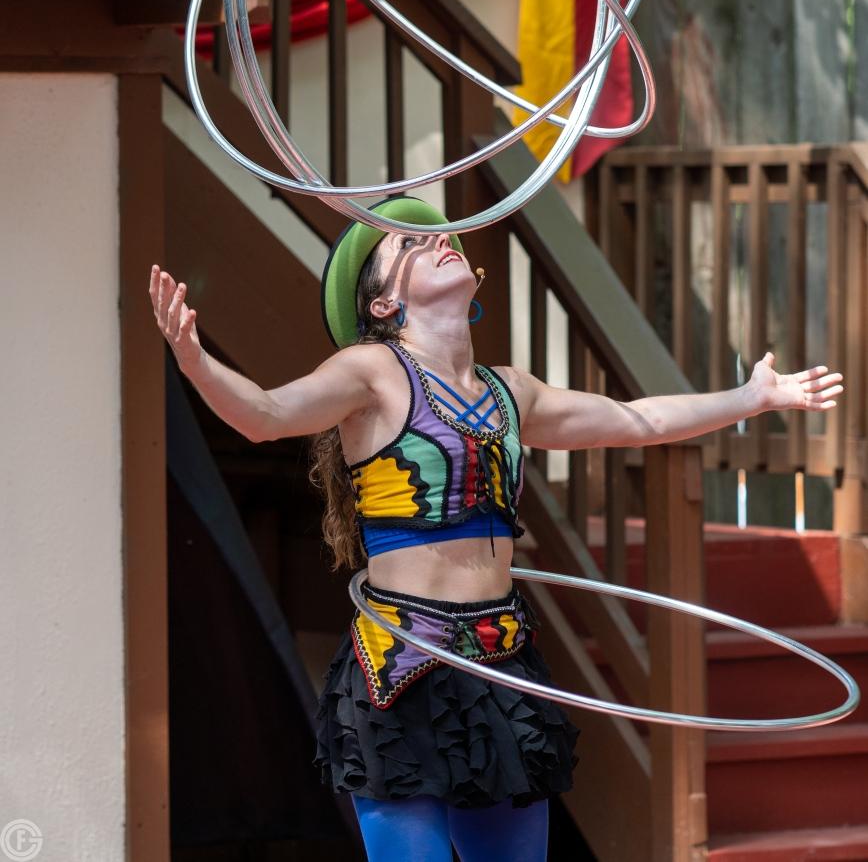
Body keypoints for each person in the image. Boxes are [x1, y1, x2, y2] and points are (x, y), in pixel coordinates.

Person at [149, 195, 844, 862]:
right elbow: (265, 415)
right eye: (408, 242)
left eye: (437, 233)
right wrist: (194, 360)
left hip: (500, 662)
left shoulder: (514, 391)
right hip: (402, 668)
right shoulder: (373, 373)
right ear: (384, 303)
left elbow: (641, 421)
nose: (436, 237)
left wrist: (751, 398)